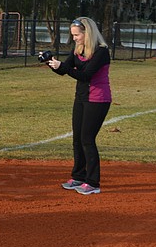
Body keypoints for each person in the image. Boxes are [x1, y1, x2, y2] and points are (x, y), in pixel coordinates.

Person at [46, 16, 112, 195]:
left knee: (87, 139)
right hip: (81, 97)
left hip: (98, 99)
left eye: (77, 35)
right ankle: (78, 176)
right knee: (77, 139)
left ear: (87, 33)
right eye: (73, 35)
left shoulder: (101, 52)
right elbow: (65, 69)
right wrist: (51, 63)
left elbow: (86, 75)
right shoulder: (78, 49)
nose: (74, 38)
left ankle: (92, 182)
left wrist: (64, 68)